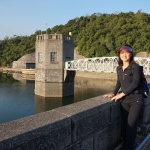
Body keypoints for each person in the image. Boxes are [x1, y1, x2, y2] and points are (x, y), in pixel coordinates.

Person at [103, 45, 144, 150]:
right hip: (125, 101)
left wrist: (121, 94)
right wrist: (114, 92)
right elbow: (119, 82)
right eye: (122, 53)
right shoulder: (119, 68)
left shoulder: (136, 67)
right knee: (125, 126)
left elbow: (135, 83)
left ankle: (129, 148)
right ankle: (126, 146)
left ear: (131, 54)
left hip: (136, 99)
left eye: (127, 53)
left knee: (131, 126)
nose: (124, 55)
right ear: (119, 55)